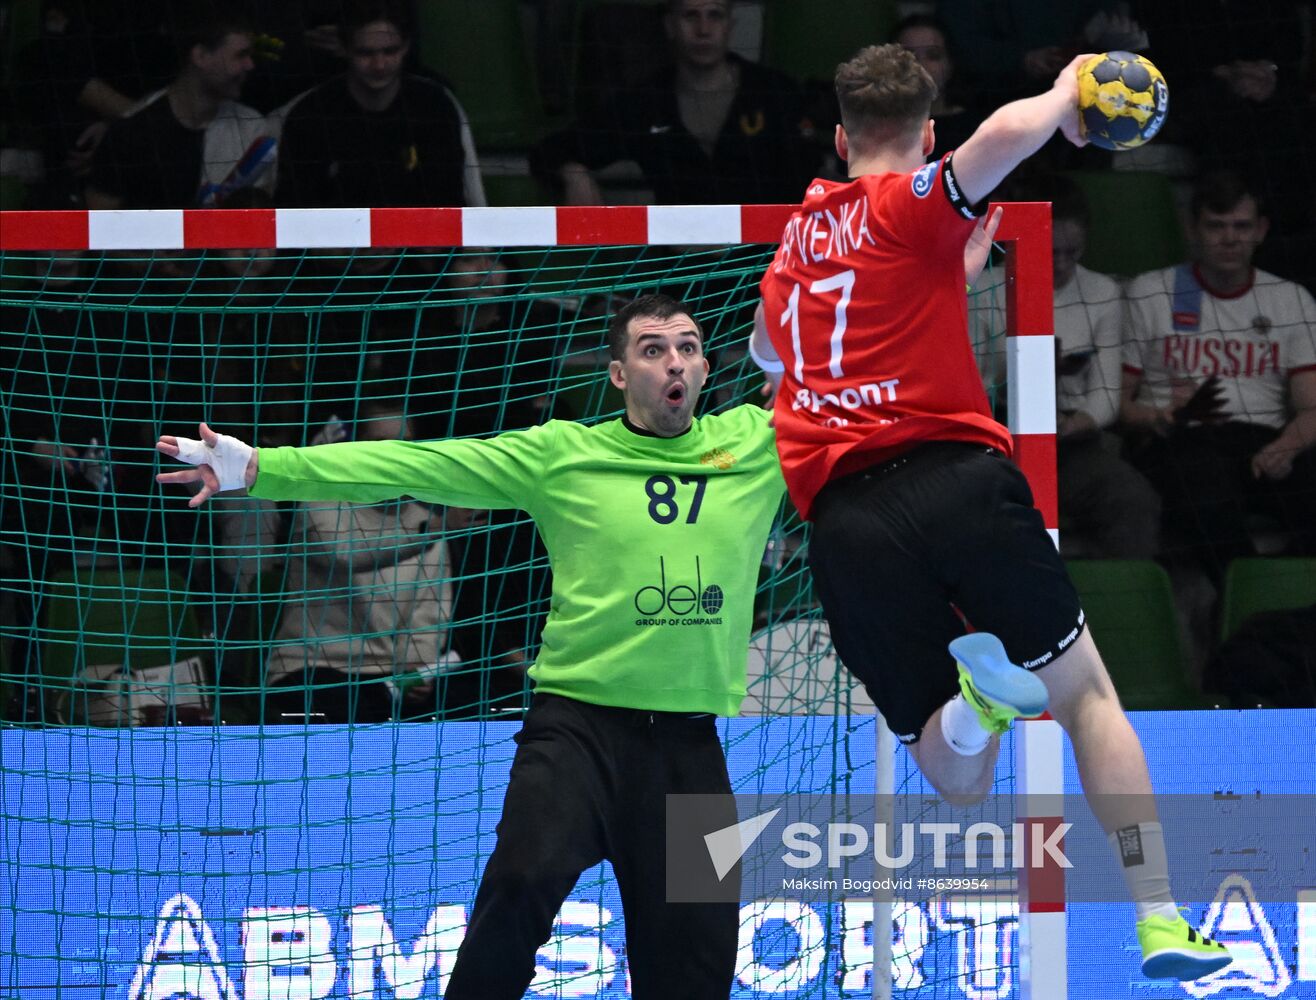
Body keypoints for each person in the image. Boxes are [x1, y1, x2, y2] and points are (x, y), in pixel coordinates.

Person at [750, 43, 1232, 981]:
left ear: (840, 138)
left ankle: (975, 707)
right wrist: (1064, 91)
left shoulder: (794, 247)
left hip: (846, 522)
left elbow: (778, 357)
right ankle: (1161, 917)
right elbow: (1001, 141)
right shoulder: (914, 202)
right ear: (926, 136)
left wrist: (939, 284)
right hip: (957, 483)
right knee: (1088, 697)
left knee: (956, 779)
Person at [155, 293, 785, 998]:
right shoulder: (563, 453)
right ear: (616, 374)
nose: (674, 360)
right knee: (516, 887)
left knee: (699, 963)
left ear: (704, 370)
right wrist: (263, 468)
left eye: (688, 347)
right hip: (577, 732)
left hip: (688, 745)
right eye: (652, 349)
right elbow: (417, 465)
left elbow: (883, 404)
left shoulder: (760, 442)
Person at [1121, 170, 1316, 580]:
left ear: (1261, 230)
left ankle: (1286, 594)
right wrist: (1154, 418)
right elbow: (1116, 402)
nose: (1230, 238)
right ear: (1192, 228)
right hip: (1179, 439)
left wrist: (1287, 447)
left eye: (1242, 226)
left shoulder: (1289, 298)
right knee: (1202, 484)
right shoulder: (1151, 291)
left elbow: (1312, 407)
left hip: (1263, 441)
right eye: (1216, 226)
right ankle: (1247, 594)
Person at [974, 173, 1161, 556]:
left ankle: (1115, 603)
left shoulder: (1102, 293)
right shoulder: (982, 290)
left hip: (1075, 440)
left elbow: (1108, 393)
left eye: (1072, 253)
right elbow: (974, 384)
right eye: (1049, 250)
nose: (1060, 264)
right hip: (998, 442)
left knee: (1132, 499)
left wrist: (1074, 425)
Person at [260, 401, 459, 724]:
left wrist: (416, 669)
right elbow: (345, 553)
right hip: (310, 668)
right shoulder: (321, 501)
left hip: (387, 680)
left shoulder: (426, 521)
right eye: (381, 444)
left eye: (404, 445)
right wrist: (427, 533)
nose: (394, 455)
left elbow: (430, 613)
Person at [531, 0, 818, 205]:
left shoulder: (774, 93)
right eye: (691, 15)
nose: (703, 29)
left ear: (730, 24)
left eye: (714, 15)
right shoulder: (646, 102)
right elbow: (549, 150)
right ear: (670, 25)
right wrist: (573, 173)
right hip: (679, 270)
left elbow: (808, 175)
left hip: (764, 262)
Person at [274, 0, 485, 209]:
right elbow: (296, 212)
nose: (379, 65)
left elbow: (447, 204)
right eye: (365, 53)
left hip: (417, 240)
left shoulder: (435, 107)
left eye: (389, 51)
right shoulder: (309, 116)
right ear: (345, 49)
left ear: (406, 47)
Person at [84, 5, 276, 211]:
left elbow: (259, 223)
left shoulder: (252, 130)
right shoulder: (132, 132)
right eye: (240, 55)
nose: (250, 65)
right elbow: (98, 229)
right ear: (201, 56)